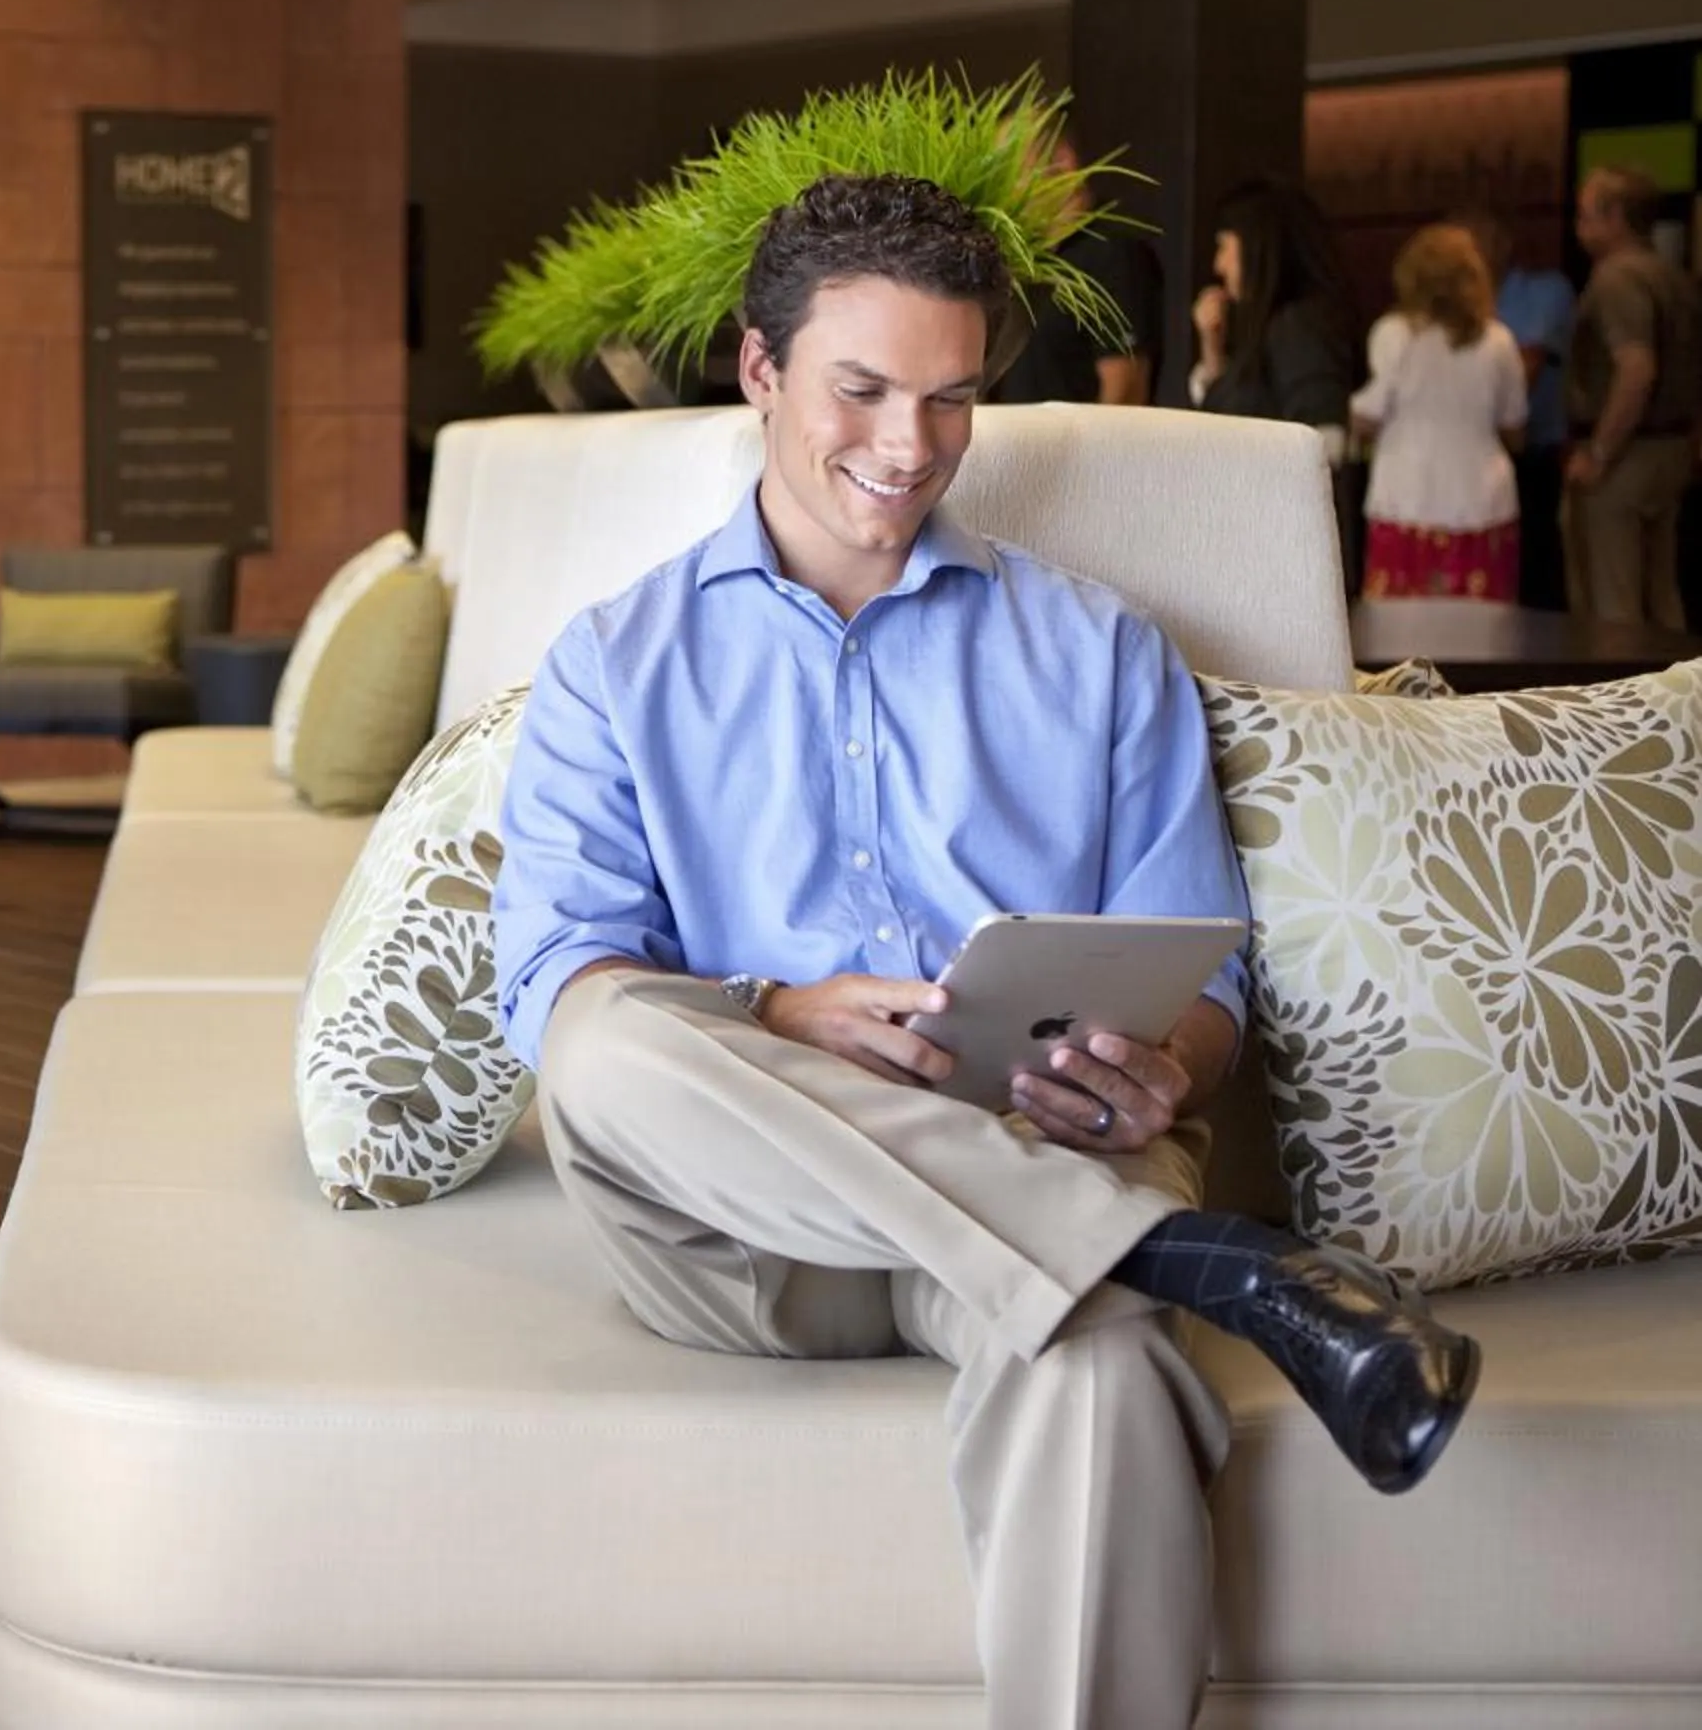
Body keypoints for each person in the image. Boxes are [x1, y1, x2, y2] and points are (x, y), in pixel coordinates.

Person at [495, 172, 1478, 1730]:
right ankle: (1194, 1262)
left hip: (1047, 1152)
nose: (906, 447)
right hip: (756, 1230)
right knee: (602, 1043)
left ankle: (1130, 1252)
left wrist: (1167, 1068)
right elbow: (556, 970)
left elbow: (1205, 979)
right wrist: (774, 1011)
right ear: (760, 372)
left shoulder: (1099, 651)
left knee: (1098, 1376)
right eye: (863, 390)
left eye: (951, 399)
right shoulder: (618, 663)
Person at [1350, 222, 1528, 602]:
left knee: (1398, 635)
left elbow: (1368, 415)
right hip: (1483, 499)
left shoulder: (1394, 334)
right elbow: (1515, 427)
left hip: (1406, 497)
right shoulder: (1500, 341)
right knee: (1484, 634)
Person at [1561, 164, 1702, 628]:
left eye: (1585, 215)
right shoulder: (1675, 277)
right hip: (1672, 449)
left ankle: (1618, 696)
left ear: (1615, 216)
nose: (1578, 227)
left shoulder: (1617, 280)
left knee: (1612, 601)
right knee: (1662, 593)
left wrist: (1599, 453)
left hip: (1625, 454)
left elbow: (1636, 368)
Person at [1454, 205, 1576, 609]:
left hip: (1535, 451)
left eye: (1476, 243)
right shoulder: (1451, 310)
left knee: (1538, 572)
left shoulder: (1547, 291)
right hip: (1472, 463)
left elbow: (1527, 370)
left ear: (1504, 245)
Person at [990, 133, 1162, 405]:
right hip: (1024, 446)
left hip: (1081, 447)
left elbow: (1126, 389)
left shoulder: (1113, 253)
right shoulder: (1025, 261)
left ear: (1061, 162)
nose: (1000, 191)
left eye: (1008, 172)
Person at [1190, 177, 1360, 450]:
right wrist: (1213, 346)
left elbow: (1324, 439)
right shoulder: (1273, 330)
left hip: (1272, 491)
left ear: (1257, 246)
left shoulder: (1300, 327)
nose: (1218, 265)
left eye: (1223, 246)